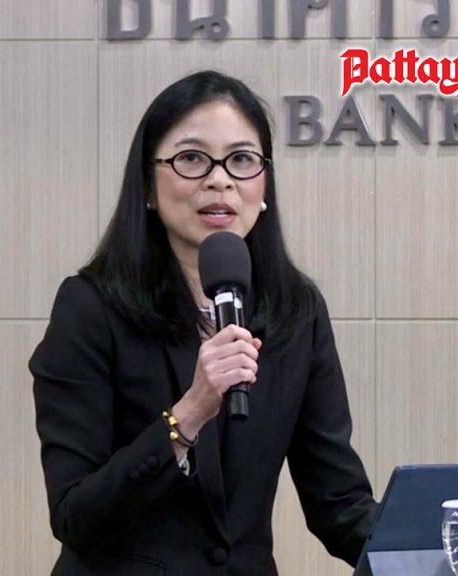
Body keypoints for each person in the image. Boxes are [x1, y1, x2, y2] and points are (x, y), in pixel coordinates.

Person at [30, 70, 379, 576]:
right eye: (192, 159)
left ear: (264, 185)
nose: (220, 179)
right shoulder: (90, 308)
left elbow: (339, 502)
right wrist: (188, 415)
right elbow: (75, 515)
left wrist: (440, 548)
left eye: (242, 160)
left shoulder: (295, 310)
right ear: (148, 186)